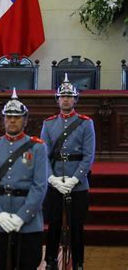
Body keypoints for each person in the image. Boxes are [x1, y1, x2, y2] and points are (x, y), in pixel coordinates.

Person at [0, 89, 48, 270]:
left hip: (28, 222)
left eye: (17, 117)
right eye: (8, 116)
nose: (12, 120)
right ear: (3, 119)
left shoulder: (38, 148)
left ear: (25, 120)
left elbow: (40, 186)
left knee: (29, 264)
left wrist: (22, 217)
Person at [41, 74, 95, 270]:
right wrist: (52, 178)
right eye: (62, 96)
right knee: (54, 224)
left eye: (69, 96)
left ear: (75, 99)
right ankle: (50, 261)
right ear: (57, 100)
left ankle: (79, 262)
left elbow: (88, 157)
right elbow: (43, 156)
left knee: (77, 226)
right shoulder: (48, 124)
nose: (65, 99)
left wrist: (74, 180)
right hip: (55, 180)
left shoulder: (86, 123)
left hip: (78, 182)